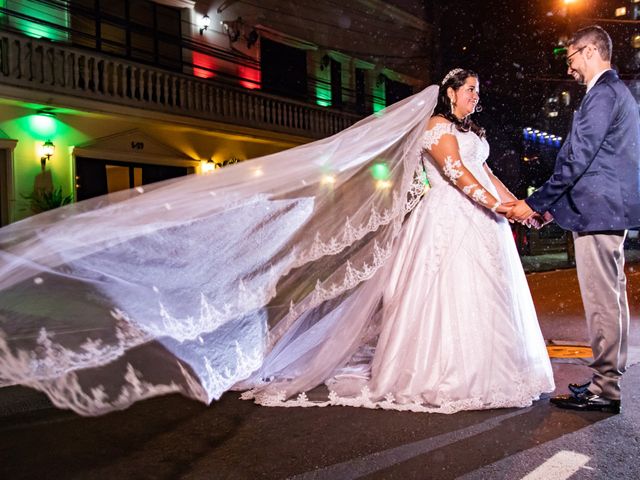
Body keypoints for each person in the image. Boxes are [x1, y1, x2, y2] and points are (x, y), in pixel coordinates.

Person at [0, 69, 554, 416]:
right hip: (450, 221)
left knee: (486, 298)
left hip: (484, 222)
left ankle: (496, 367)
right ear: (451, 90)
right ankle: (438, 371)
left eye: (479, 90)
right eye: (472, 88)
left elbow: (488, 176)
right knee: (443, 296)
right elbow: (458, 178)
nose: (478, 97)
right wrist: (501, 205)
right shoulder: (436, 129)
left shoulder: (475, 133)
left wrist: (521, 206)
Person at [507, 26, 640, 414]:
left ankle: (605, 389)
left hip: (598, 212)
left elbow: (577, 158)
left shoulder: (603, 94)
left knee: (602, 303)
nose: (569, 69)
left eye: (570, 59)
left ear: (589, 51)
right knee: (611, 301)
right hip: (607, 210)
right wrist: (550, 209)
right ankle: (607, 381)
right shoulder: (619, 94)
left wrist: (536, 202)